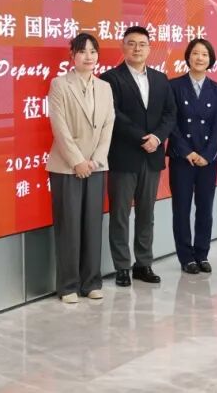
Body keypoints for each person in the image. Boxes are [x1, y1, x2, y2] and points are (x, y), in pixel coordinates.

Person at [101, 26, 176, 287]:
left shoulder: (160, 78)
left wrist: (157, 137)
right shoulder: (110, 79)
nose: (137, 48)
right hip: (124, 156)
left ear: (149, 48)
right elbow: (113, 114)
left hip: (152, 156)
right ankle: (122, 266)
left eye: (142, 44)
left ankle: (143, 264)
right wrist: (142, 137)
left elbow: (170, 114)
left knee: (147, 213)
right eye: (131, 43)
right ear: (123, 47)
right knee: (120, 214)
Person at [46, 32, 115, 304]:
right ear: (72, 55)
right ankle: (68, 286)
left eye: (93, 51)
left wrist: (96, 160)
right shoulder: (60, 84)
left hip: (96, 166)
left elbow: (108, 125)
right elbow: (59, 126)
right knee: (69, 226)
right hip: (66, 167)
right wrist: (77, 161)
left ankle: (91, 282)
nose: (89, 56)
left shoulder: (105, 87)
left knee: (92, 226)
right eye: (83, 51)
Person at [167, 38, 217, 275]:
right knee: (181, 208)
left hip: (208, 159)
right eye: (195, 53)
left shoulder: (216, 88)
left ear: (210, 59)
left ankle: (202, 253)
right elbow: (171, 123)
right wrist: (187, 151)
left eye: (204, 54)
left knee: (205, 208)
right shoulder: (174, 85)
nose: (200, 58)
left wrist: (208, 154)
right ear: (188, 57)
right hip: (182, 157)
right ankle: (186, 256)